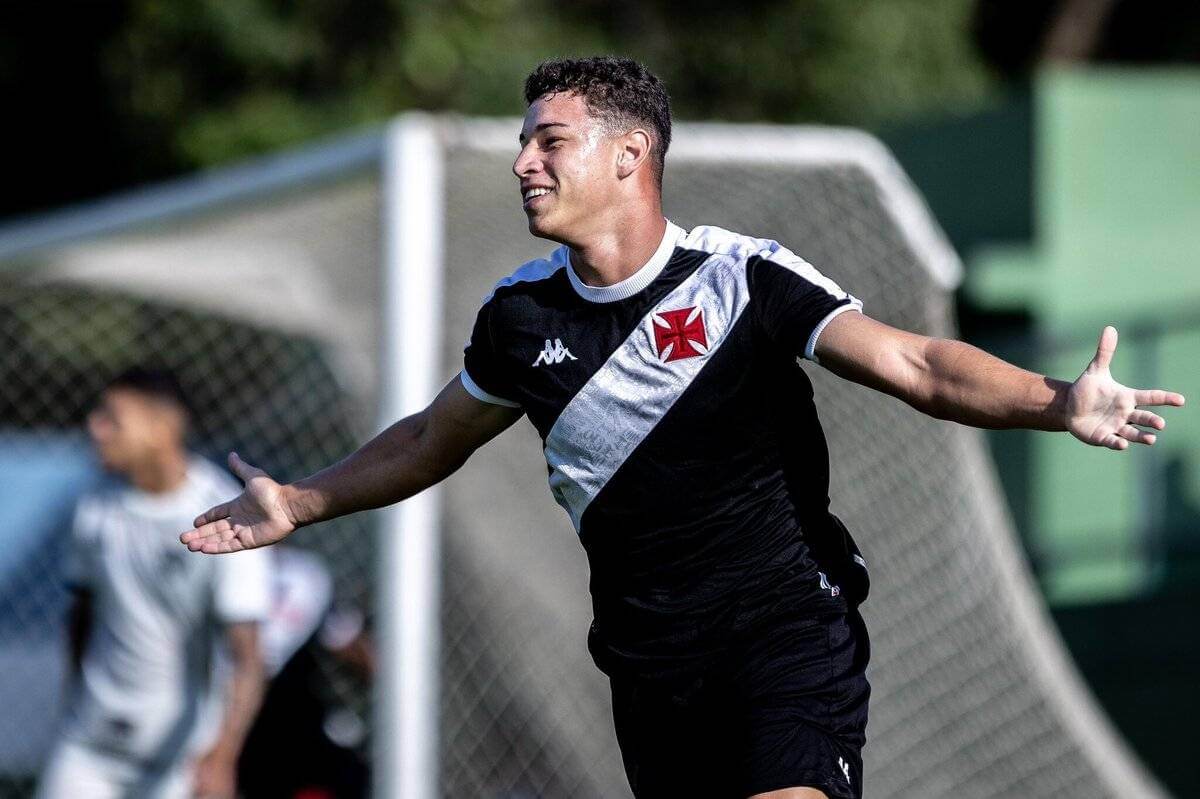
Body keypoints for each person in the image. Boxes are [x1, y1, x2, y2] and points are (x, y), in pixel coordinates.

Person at [180, 58, 1185, 799]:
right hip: (651, 668)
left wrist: (1059, 400)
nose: (524, 161)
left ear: (631, 154)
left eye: (549, 140)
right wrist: (300, 501)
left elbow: (913, 361)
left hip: (786, 635)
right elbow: (425, 440)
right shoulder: (520, 316)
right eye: (525, 141)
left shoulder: (744, 277)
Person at [42, 368, 270, 799]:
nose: (96, 427)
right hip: (89, 746)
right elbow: (80, 615)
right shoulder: (94, 507)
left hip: (177, 758)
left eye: (112, 417)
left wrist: (221, 758)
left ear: (162, 429)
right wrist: (73, 701)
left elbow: (247, 657)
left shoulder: (224, 514)